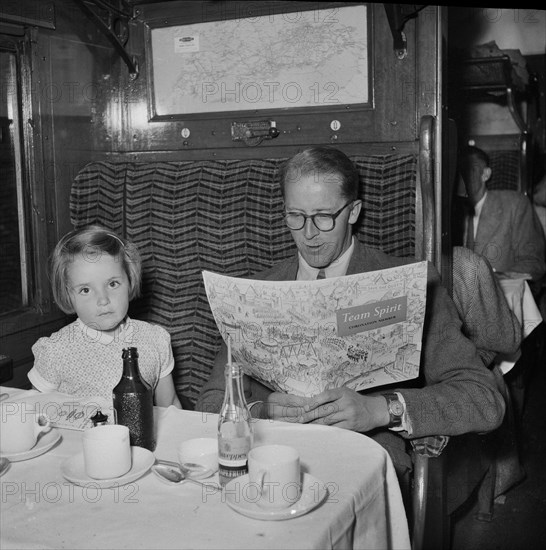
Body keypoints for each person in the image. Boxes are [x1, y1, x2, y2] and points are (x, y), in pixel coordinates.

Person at [196, 146, 505, 481]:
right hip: (267, 454)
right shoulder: (255, 292)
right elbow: (211, 401)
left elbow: (484, 399)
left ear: (354, 211)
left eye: (324, 217)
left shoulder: (405, 284)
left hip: (360, 462)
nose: (309, 234)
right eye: (295, 216)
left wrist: (380, 409)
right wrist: (261, 411)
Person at [28, 225, 182, 408]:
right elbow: (35, 410)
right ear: (68, 295)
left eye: (113, 284)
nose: (103, 300)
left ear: (130, 281)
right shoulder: (56, 351)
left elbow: (170, 405)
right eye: (85, 290)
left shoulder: (155, 340)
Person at [454, 145, 546, 283]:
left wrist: (494, 281)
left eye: (468, 170)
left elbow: (533, 263)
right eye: (457, 172)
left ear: (485, 174)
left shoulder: (515, 204)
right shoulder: (449, 212)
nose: (461, 178)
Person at [452, 245, 522, 368]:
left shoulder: (467, 265)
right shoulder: (467, 264)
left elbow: (535, 265)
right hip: (465, 375)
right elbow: (505, 339)